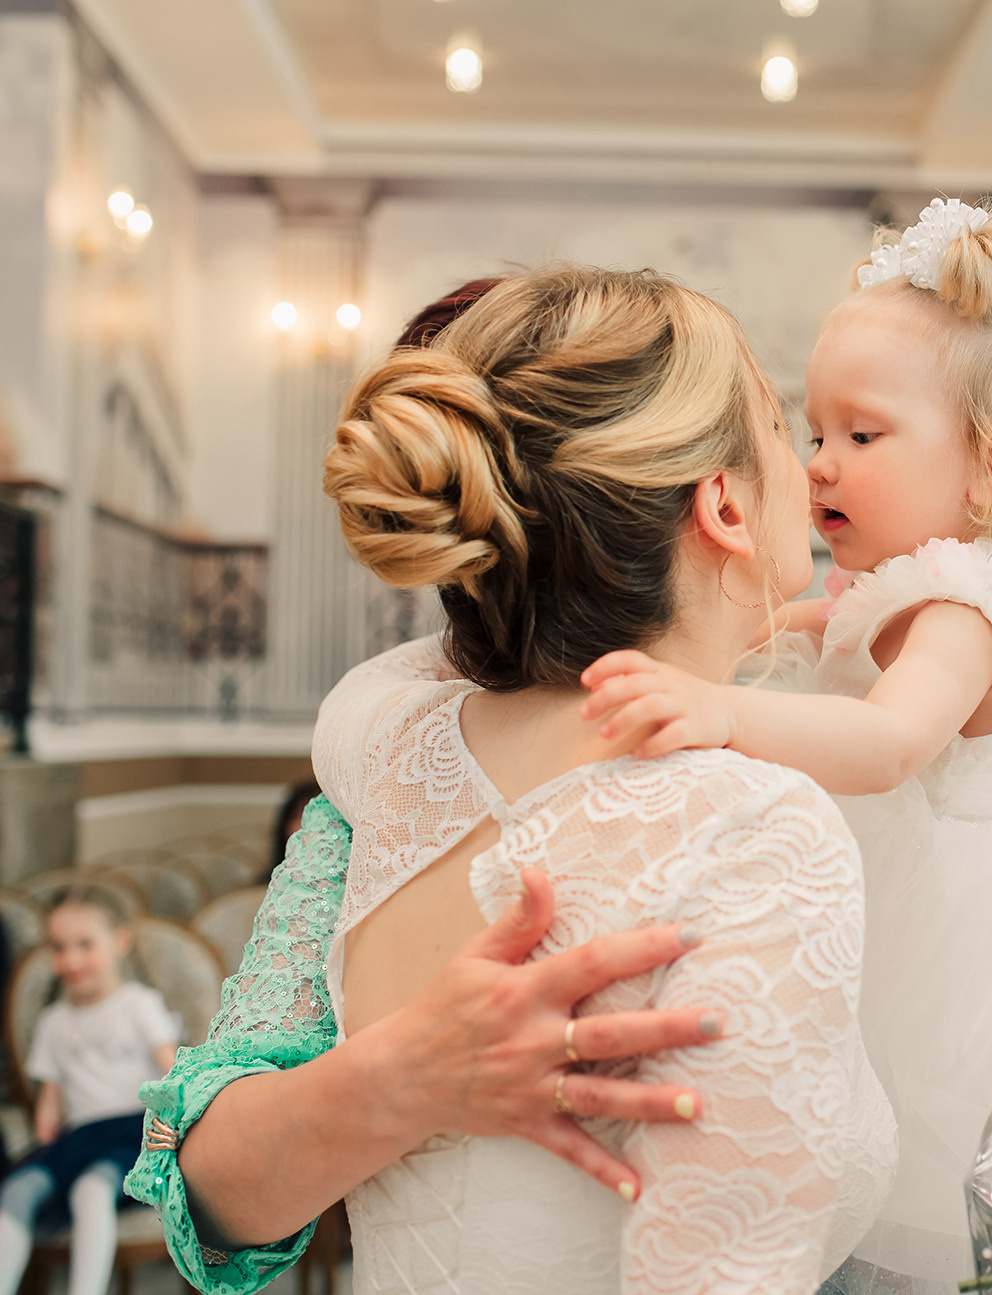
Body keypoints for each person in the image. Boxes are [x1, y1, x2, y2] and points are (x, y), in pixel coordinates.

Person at [127, 277, 862, 1295]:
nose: (811, 463)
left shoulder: (388, 755)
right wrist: (407, 1073)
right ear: (725, 503)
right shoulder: (754, 827)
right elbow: (206, 1190)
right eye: (781, 425)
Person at [581, 199, 992, 1290]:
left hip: (982, 950)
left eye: (862, 434)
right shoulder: (882, 588)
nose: (816, 465)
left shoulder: (961, 610)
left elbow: (889, 740)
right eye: (811, 432)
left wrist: (724, 712)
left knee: (957, 1204)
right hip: (897, 907)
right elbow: (788, 629)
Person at [0, 887, 179, 1295]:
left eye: (85, 945)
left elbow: (170, 1070)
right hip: (79, 1138)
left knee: (91, 1189)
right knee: (16, 1188)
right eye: (59, 947)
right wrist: (46, 1140)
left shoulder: (138, 1003)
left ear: (120, 941)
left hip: (133, 1133)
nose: (72, 959)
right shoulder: (54, 1021)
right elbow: (51, 1097)